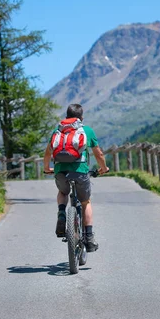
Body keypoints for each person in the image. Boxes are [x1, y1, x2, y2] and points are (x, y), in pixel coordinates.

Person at [43, 103, 109, 252]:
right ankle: (90, 238)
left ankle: (61, 214)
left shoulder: (57, 131)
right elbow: (99, 154)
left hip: (60, 171)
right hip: (80, 171)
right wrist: (103, 168)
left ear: (66, 116)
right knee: (85, 202)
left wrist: (47, 168)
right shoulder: (87, 131)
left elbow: (47, 153)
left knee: (63, 192)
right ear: (81, 117)